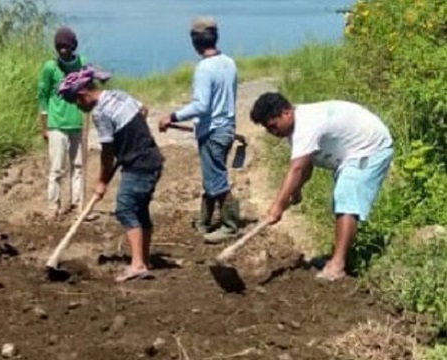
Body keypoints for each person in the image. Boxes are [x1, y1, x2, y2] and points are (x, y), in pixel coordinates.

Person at [249, 92, 394, 281]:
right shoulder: (295, 127)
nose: (273, 133)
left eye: (273, 126)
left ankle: (337, 265)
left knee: (345, 196)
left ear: (286, 113)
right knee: (342, 198)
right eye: (268, 129)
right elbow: (306, 166)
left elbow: (297, 168)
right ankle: (339, 258)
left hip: (370, 148)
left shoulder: (307, 124)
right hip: (352, 154)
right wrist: (296, 190)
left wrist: (276, 208)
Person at [58, 67, 164, 283]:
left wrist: (101, 181)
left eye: (76, 103)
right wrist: (129, 138)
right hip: (153, 160)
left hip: (138, 165)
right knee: (140, 210)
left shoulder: (100, 113)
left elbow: (107, 154)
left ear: (83, 95)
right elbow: (143, 110)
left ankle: (138, 264)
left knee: (125, 208)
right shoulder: (118, 95)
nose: (79, 108)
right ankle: (143, 258)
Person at [158, 17, 239, 243]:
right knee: (211, 177)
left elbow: (201, 106)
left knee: (217, 180)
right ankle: (204, 222)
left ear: (195, 42)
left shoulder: (204, 69)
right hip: (227, 127)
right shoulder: (229, 63)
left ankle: (230, 225)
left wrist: (171, 116)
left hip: (213, 132)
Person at [38, 27, 88, 219]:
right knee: (56, 168)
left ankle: (78, 205)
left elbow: (89, 88)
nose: (62, 50)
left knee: (78, 166)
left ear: (73, 46)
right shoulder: (50, 68)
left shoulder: (82, 63)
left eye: (66, 46)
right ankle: (53, 206)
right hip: (56, 123)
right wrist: (44, 126)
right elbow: (42, 97)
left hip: (77, 122)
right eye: (59, 47)